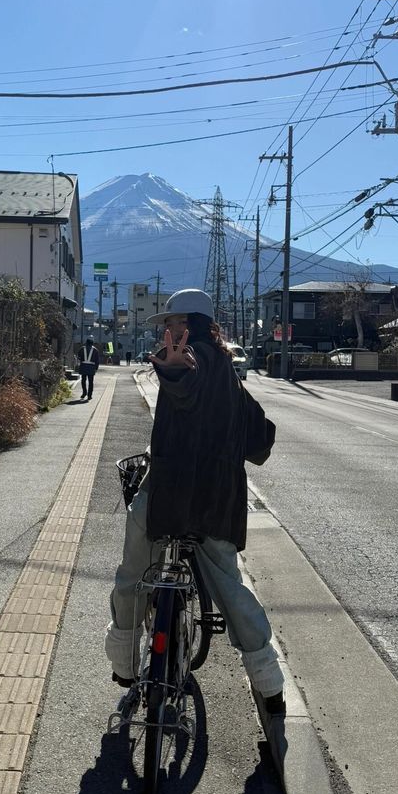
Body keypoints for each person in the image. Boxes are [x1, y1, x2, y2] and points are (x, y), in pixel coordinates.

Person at [105, 288, 285, 715]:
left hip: (169, 493)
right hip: (216, 501)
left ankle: (125, 666)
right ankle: (269, 681)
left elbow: (187, 382)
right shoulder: (226, 369)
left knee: (132, 575)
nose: (166, 329)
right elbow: (261, 439)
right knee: (230, 587)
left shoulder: (195, 360)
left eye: (171, 322)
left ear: (191, 324)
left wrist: (173, 374)